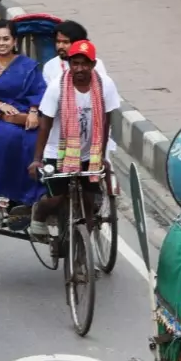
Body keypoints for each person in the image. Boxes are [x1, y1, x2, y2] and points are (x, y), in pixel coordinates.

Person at [28, 40, 119, 238]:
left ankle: (85, 240)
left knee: (90, 199)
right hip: (58, 152)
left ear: (93, 64)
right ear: (69, 64)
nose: (79, 68)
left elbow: (106, 123)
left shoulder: (105, 85)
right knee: (55, 199)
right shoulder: (57, 87)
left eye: (85, 64)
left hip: (88, 152)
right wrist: (37, 159)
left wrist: (102, 155)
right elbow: (45, 125)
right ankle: (38, 215)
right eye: (75, 63)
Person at [0, 21, 46, 214]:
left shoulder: (28, 66)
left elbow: (39, 91)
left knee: (36, 139)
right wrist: (1, 105)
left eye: (6, 39)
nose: (1, 43)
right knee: (8, 138)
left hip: (25, 113)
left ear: (14, 41)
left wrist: (33, 112)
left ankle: (33, 196)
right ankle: (2, 191)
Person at [40, 20, 110, 89]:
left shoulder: (94, 64)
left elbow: (104, 88)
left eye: (65, 42)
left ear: (78, 43)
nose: (60, 46)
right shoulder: (49, 66)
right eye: (58, 42)